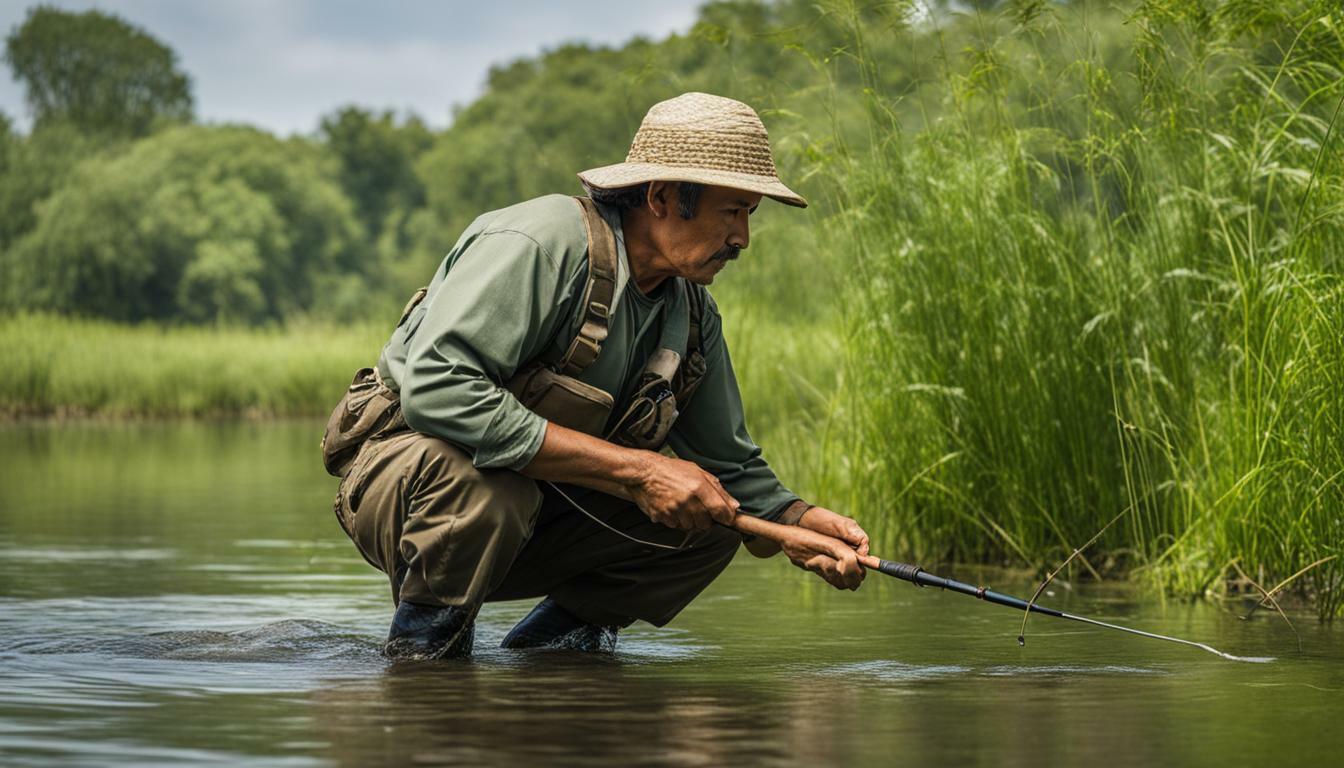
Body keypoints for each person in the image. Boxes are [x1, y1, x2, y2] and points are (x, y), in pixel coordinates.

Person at [321, 92, 871, 660]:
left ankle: (554, 665)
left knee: (709, 518)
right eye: (732, 211)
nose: (742, 238)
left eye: (750, 214)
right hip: (408, 487)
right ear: (661, 197)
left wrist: (800, 520)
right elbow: (438, 389)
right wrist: (641, 471)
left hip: (524, 512)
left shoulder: (691, 315)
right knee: (493, 491)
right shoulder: (542, 244)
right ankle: (421, 664)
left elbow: (730, 467)